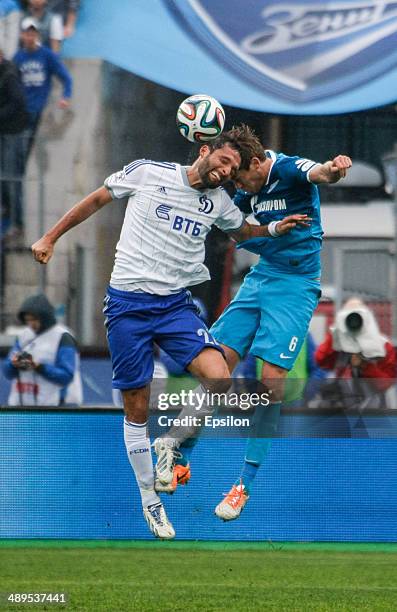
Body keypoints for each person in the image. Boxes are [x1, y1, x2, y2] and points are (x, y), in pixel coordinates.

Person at [31, 130, 309, 539]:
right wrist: (50, 237)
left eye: (233, 167)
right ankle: (150, 501)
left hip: (175, 306)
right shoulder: (147, 173)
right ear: (204, 150)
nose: (227, 170)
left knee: (219, 377)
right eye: (225, 161)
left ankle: (170, 446)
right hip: (127, 305)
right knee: (136, 408)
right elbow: (95, 199)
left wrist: (273, 230)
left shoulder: (218, 202)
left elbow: (243, 233)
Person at [154, 125, 352, 521]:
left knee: (272, 381)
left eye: (242, 176)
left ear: (258, 162)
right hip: (261, 278)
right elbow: (239, 231)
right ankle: (180, 456)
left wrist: (334, 168)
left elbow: (320, 173)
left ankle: (242, 486)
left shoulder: (290, 170)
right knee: (216, 366)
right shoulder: (245, 190)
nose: (239, 184)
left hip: (296, 285)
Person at [315, 297, 396, 408]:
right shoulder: (338, 340)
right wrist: (335, 334)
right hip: (341, 406)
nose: (354, 319)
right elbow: (321, 361)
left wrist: (364, 366)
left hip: (373, 409)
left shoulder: (383, 345)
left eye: (358, 314)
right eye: (349, 314)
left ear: (368, 317)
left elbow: (387, 383)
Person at [3, 293, 83, 406]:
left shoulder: (62, 336)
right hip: (21, 406)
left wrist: (39, 367)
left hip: (56, 407)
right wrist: (14, 364)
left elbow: (66, 376)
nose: (31, 324)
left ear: (45, 317)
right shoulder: (23, 336)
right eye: (28, 320)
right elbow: (7, 371)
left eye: (34, 319)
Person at [13, 17, 72, 158]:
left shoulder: (47, 55)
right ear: (22, 35)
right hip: (24, 110)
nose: (30, 37)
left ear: (37, 35)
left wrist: (66, 96)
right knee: (21, 148)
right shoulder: (18, 57)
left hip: (41, 108)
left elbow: (66, 77)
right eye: (27, 34)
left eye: (33, 34)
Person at [0, 45, 28, 238]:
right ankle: (8, 212)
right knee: (4, 177)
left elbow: (17, 102)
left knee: (11, 178)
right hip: (4, 130)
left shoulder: (9, 75)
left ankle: (17, 222)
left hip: (13, 133)